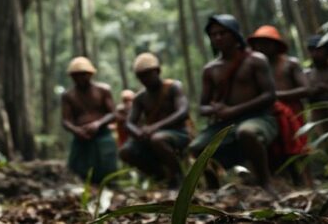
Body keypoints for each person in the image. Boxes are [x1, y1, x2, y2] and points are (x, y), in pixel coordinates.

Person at [189, 14, 277, 193]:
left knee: (247, 132)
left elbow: (269, 95)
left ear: (235, 34)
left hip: (259, 118)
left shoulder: (256, 60)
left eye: (223, 33)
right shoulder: (210, 69)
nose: (217, 38)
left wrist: (234, 110)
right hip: (225, 124)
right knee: (197, 147)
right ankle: (213, 189)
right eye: (213, 35)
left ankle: (266, 182)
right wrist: (215, 110)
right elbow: (202, 107)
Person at [247, 25, 309, 184]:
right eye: (258, 43)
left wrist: (276, 96)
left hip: (293, 114)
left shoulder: (290, 63)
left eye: (266, 43)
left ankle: (304, 182)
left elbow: (306, 89)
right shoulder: (255, 66)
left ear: (276, 45)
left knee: (297, 148)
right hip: (269, 114)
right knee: (274, 150)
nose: (261, 47)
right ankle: (279, 183)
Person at [119, 53, 189, 188]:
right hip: (151, 135)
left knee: (158, 139)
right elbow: (129, 123)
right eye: (141, 76)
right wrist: (138, 133)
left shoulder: (173, 87)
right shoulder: (140, 98)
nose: (145, 79)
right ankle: (160, 175)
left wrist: (156, 126)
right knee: (125, 151)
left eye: (147, 74)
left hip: (178, 132)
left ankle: (179, 177)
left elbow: (183, 112)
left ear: (157, 71)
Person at [61, 56, 118, 184]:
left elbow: (113, 114)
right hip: (81, 137)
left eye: (83, 74)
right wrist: (77, 130)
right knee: (79, 171)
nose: (80, 78)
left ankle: (110, 186)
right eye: (76, 75)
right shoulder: (68, 95)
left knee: (107, 166)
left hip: (102, 134)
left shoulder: (103, 90)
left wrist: (98, 124)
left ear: (90, 74)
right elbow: (65, 120)